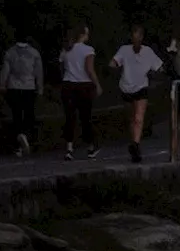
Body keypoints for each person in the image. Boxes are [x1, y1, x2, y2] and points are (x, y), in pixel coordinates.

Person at [110, 24, 164, 164]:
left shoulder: (148, 52)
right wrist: (114, 67)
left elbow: (159, 66)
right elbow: (114, 62)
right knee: (131, 118)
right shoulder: (124, 50)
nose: (136, 40)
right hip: (126, 87)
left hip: (141, 87)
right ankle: (133, 141)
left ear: (142, 38)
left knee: (139, 117)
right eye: (134, 37)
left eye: (138, 37)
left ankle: (136, 145)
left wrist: (158, 72)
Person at [58, 22, 101, 160]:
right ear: (83, 35)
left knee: (70, 117)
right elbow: (89, 69)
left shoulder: (66, 50)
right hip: (84, 86)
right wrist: (97, 84)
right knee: (86, 117)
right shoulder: (88, 50)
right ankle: (90, 147)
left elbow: (62, 69)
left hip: (68, 85)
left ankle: (69, 148)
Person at [0, 32, 43, 157]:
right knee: (29, 114)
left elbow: (5, 70)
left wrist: (2, 84)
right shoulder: (34, 53)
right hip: (29, 86)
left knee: (16, 114)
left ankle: (18, 144)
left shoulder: (10, 53)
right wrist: (40, 87)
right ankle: (25, 135)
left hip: (14, 87)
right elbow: (38, 72)